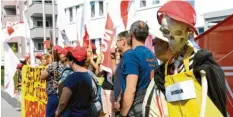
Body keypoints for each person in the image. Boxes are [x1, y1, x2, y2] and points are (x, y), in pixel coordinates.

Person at [155, 1, 226, 116]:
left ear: (189, 32)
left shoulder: (203, 64)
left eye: (177, 32)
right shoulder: (167, 68)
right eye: (165, 32)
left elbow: (217, 103)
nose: (170, 38)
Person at [120, 21, 156, 116]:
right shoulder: (151, 54)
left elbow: (131, 89)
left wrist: (122, 114)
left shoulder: (131, 55)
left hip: (136, 107)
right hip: (150, 104)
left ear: (131, 35)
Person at [142, 28, 173, 117]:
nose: (153, 47)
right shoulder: (163, 69)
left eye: (154, 43)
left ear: (163, 44)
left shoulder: (177, 70)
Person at [55, 46, 94, 117]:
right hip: (87, 112)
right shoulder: (89, 74)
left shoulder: (72, 77)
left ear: (72, 60)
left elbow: (63, 102)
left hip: (75, 113)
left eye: (68, 59)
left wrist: (57, 112)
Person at [110, 31, 132, 113]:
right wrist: (113, 59)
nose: (116, 44)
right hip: (120, 101)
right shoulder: (124, 56)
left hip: (124, 102)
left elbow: (128, 83)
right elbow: (117, 74)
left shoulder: (129, 56)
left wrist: (119, 100)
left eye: (117, 41)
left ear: (123, 42)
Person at [40, 45, 65, 117]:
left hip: (54, 94)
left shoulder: (53, 65)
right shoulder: (66, 65)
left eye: (51, 53)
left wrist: (48, 66)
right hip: (65, 95)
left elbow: (42, 77)